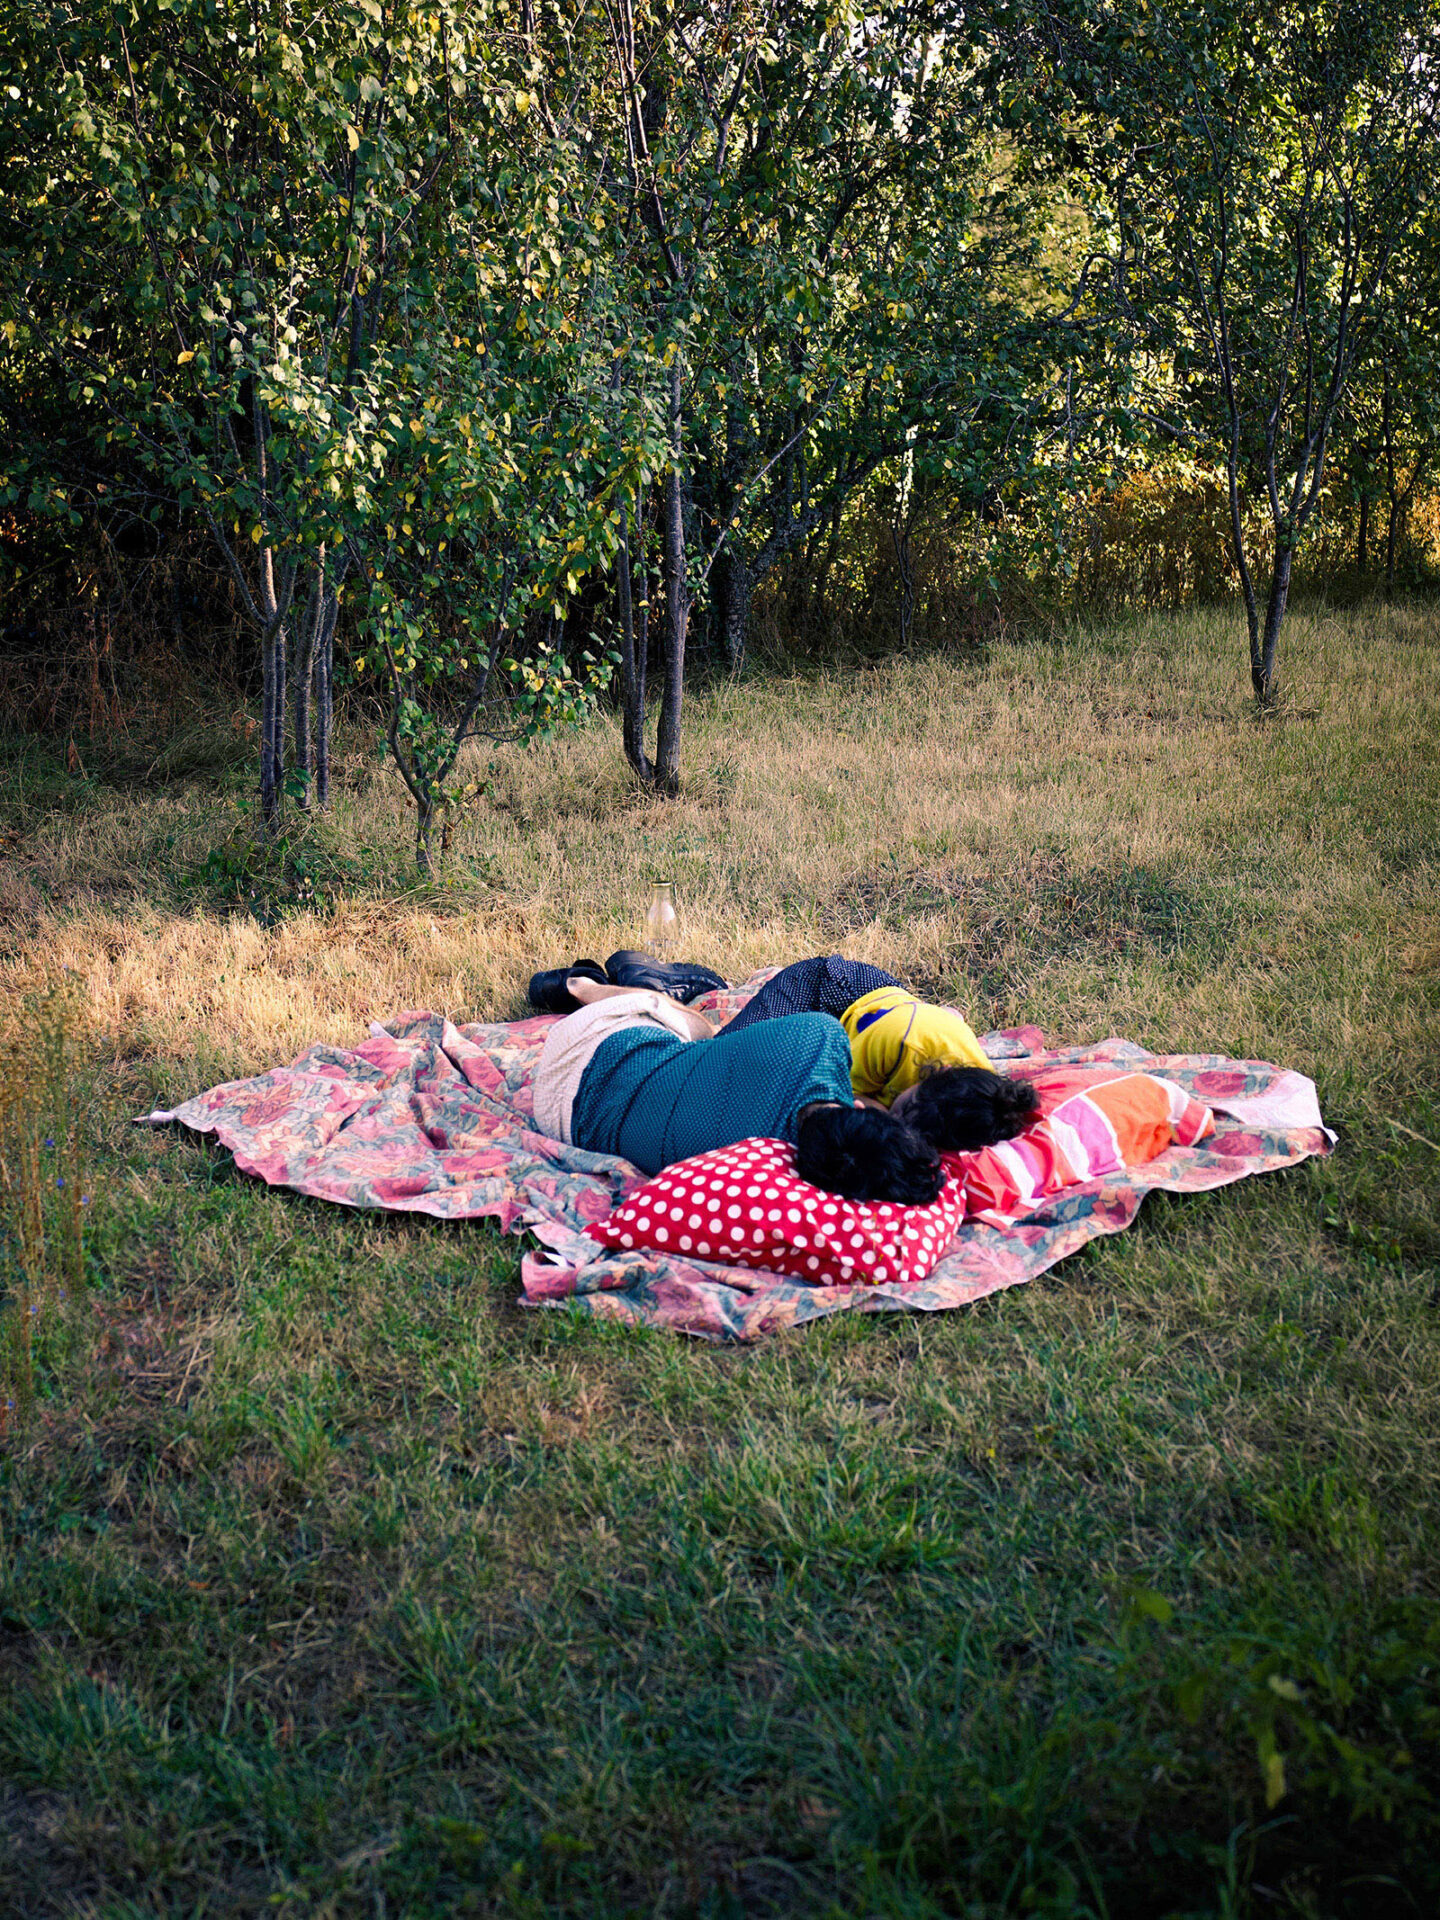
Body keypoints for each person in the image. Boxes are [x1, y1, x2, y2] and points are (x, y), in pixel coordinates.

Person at [530, 977, 943, 1204]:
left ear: (861, 1106)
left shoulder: (819, 1036)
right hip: (563, 1124)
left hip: (593, 1042)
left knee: (702, 1029)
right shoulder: (756, 1178)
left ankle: (582, 986)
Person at [718, 954, 1037, 1149]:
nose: (897, 1116)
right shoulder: (901, 1042)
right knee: (726, 1059)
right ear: (931, 1075)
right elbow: (823, 1087)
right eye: (901, 1109)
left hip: (897, 1019)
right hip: (830, 990)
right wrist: (882, 1116)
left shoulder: (980, 1092)